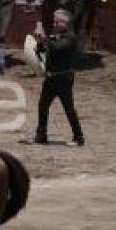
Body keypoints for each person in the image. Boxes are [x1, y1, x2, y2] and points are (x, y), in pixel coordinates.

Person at [33, 9, 84, 147]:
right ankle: (41, 135)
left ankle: (79, 137)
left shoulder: (70, 38)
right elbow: (43, 51)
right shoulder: (55, 36)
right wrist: (39, 42)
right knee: (43, 105)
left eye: (58, 21)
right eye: (54, 20)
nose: (54, 23)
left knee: (68, 108)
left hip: (63, 79)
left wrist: (44, 39)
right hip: (51, 78)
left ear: (66, 23)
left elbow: (55, 49)